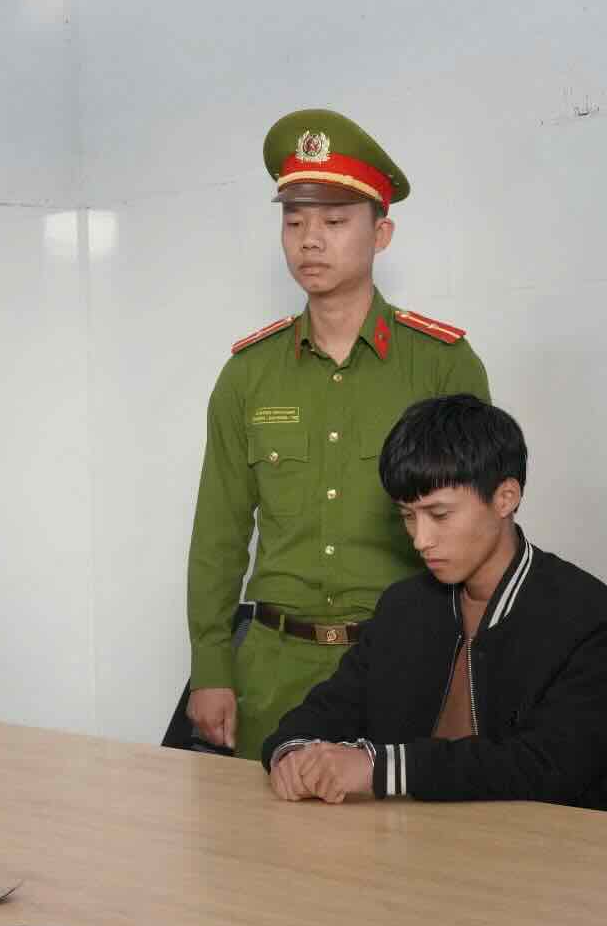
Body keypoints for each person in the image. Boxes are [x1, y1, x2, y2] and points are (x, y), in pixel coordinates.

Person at [183, 108, 492, 759]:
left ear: (382, 233)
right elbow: (219, 533)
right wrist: (213, 667)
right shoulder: (248, 376)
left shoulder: (440, 365)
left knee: (400, 858)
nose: (309, 240)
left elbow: (478, 536)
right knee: (260, 857)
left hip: (403, 668)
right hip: (272, 671)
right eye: (293, 221)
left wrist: (465, 677)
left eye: (333, 221)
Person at [263, 395, 607, 812]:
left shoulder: (590, 616)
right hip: (417, 846)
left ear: (505, 497)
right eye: (407, 516)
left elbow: (548, 768)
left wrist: (380, 768)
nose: (420, 539)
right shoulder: (403, 608)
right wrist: (292, 754)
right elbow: (325, 710)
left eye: (438, 515)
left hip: (558, 856)